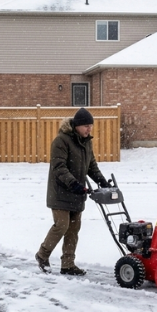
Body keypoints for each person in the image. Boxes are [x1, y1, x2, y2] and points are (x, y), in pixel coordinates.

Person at [35, 107, 109, 276]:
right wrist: (73, 183)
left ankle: (68, 264)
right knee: (62, 225)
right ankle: (42, 255)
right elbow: (59, 167)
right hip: (61, 191)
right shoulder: (61, 141)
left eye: (91, 126)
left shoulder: (86, 142)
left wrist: (101, 181)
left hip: (77, 192)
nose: (89, 129)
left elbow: (91, 166)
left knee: (74, 229)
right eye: (86, 126)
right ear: (76, 125)